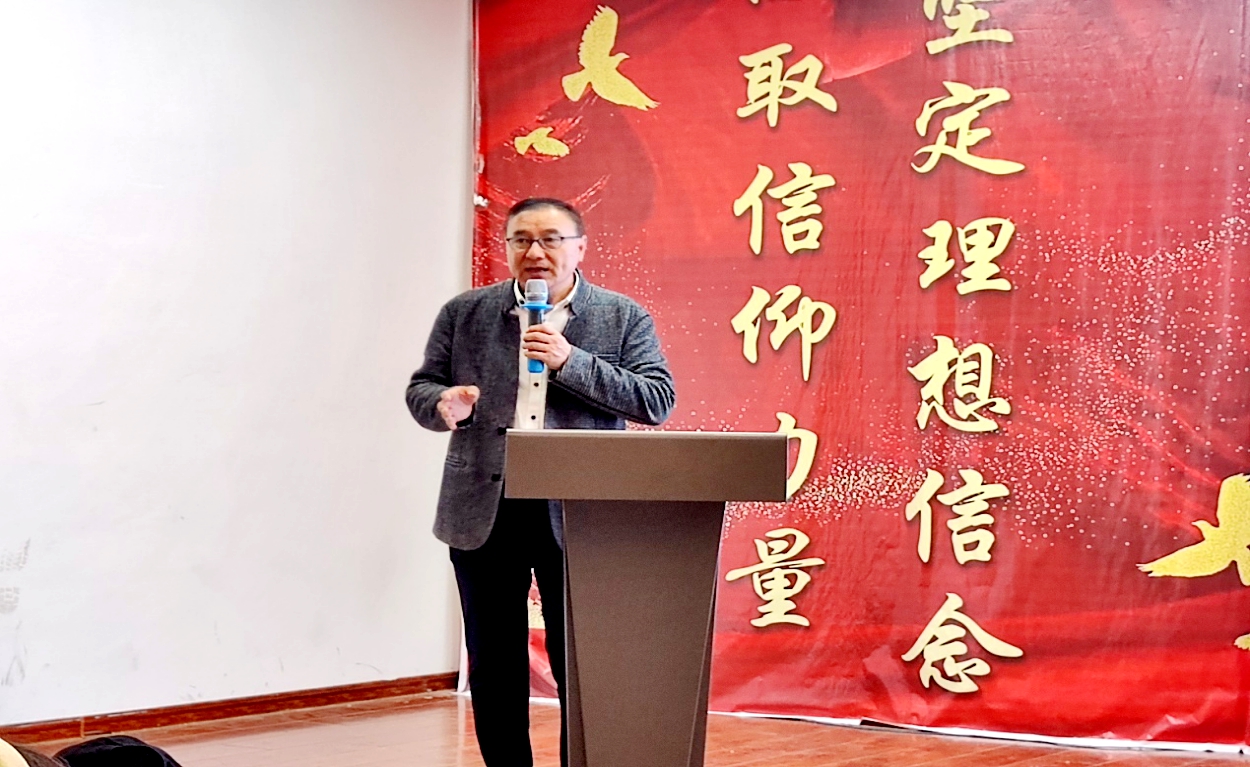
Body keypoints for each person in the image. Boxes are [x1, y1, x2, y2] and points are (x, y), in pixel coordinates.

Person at [405, 198, 675, 766]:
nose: (534, 252)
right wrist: (443, 403)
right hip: (485, 506)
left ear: (580, 248)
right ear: (506, 248)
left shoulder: (622, 316)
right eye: (521, 240)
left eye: (550, 239)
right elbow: (423, 387)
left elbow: (655, 399)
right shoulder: (466, 312)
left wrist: (570, 361)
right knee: (493, 660)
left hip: (580, 509)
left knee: (581, 660)